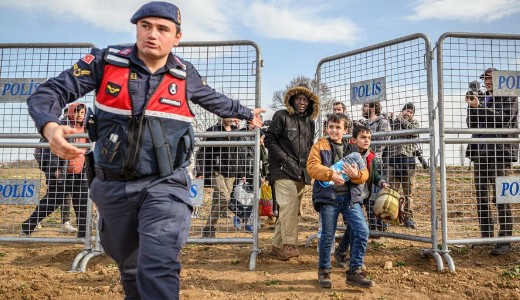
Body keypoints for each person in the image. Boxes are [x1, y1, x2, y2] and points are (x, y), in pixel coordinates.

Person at [25, 2, 264, 299]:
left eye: (163, 29)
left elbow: (215, 99)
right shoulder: (105, 62)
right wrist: (49, 126)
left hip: (166, 184)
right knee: (130, 267)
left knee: (158, 264)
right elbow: (50, 92)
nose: (153, 34)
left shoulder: (184, 74)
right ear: (136, 28)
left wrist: (245, 112)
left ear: (177, 37)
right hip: (112, 186)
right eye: (145, 26)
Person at [307, 114, 372, 288]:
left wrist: (355, 175)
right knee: (328, 236)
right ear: (326, 128)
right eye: (331, 127)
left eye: (338, 127)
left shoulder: (352, 149)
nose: (334, 130)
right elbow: (312, 167)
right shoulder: (319, 145)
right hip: (329, 198)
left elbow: (365, 173)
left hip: (350, 198)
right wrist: (330, 175)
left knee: (362, 230)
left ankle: (355, 271)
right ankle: (324, 271)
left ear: (346, 130)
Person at [465, 67, 518, 256]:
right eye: (485, 79)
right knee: (482, 198)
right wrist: (473, 107)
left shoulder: (509, 97)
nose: (487, 82)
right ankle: (486, 236)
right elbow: (471, 124)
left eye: (490, 78)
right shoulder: (482, 98)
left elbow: (503, 120)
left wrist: (479, 107)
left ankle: (505, 240)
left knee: (502, 197)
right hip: (480, 152)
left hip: (499, 153)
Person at [264, 83, 318, 261]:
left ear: (310, 103)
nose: (302, 102)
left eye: (305, 99)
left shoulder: (310, 122)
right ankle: (289, 245)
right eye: (299, 99)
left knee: (291, 210)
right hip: (281, 170)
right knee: (289, 205)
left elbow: (310, 146)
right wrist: (285, 160)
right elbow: (269, 140)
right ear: (292, 100)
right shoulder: (281, 116)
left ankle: (277, 245)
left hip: (301, 172)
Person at [22, 102, 89, 238]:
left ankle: (83, 235)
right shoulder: (60, 126)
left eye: (82, 112)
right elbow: (48, 149)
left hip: (81, 173)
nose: (79, 115)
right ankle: (27, 226)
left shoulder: (87, 127)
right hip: (62, 174)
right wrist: (56, 167)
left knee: (82, 204)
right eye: (77, 112)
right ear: (71, 112)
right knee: (51, 202)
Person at [335, 125, 390, 269]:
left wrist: (382, 182)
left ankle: (341, 252)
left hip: (363, 195)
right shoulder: (347, 154)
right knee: (357, 227)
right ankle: (352, 259)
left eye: (369, 138)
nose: (367, 141)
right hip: (351, 196)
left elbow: (374, 174)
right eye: (363, 137)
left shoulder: (371, 157)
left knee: (353, 227)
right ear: (354, 140)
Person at [196, 118, 241, 237]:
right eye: (227, 115)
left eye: (232, 116)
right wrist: (200, 171)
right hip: (216, 171)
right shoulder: (213, 131)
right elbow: (201, 151)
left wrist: (241, 173)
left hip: (231, 172)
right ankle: (209, 228)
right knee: (224, 199)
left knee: (218, 201)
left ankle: (208, 229)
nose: (230, 118)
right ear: (220, 116)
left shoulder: (237, 132)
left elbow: (240, 153)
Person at [357, 102, 390, 231]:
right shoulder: (363, 123)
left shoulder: (383, 122)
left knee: (376, 195)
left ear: (371, 108)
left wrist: (369, 143)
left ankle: (381, 224)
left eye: (364, 106)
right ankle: (371, 226)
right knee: (366, 193)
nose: (362, 108)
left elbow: (385, 141)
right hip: (362, 160)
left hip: (376, 159)